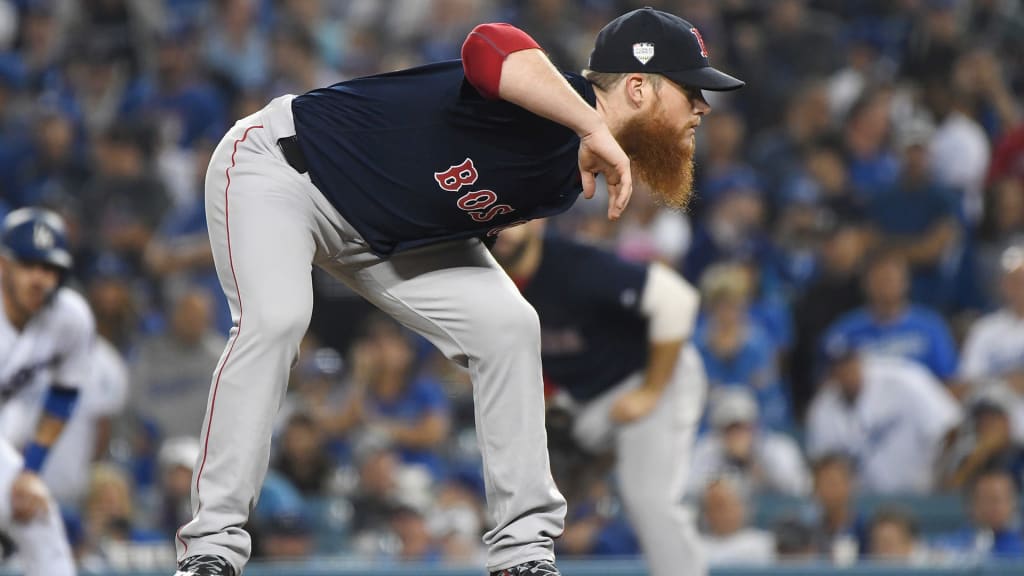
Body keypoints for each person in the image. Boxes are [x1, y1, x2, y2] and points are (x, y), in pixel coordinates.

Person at [172, 8, 745, 576]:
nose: (702, 107)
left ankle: (523, 555)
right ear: (639, 87)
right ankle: (212, 546)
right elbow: (487, 44)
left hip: (390, 237)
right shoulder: (546, 98)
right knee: (275, 319)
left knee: (510, 327)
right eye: (690, 89)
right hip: (283, 170)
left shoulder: (575, 173)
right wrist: (590, 125)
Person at [492, 219, 706, 576]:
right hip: (589, 401)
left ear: (540, 221)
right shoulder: (488, 285)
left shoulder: (576, 265)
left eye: (518, 218)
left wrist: (651, 390)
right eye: (497, 220)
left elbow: (677, 300)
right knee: (526, 490)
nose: (504, 229)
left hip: (651, 376)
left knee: (649, 500)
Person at [0, 207, 95, 576]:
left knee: (34, 511)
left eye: (50, 268)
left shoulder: (69, 318)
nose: (41, 278)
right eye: (29, 265)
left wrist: (30, 470)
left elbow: (64, 394)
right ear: (3, 264)